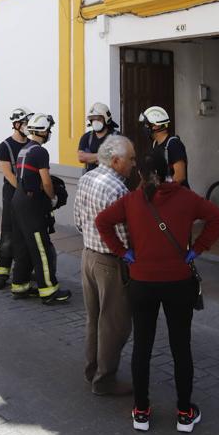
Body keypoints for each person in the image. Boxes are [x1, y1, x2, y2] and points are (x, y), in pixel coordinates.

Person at [95, 153, 219, 434]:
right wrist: (198, 248)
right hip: (179, 282)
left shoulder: (131, 200)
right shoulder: (186, 197)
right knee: (181, 348)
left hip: (142, 283)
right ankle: (184, 413)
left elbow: (102, 222)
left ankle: (141, 411)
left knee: (142, 347)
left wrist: (123, 252)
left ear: (140, 175)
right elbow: (218, 217)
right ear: (168, 172)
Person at [74, 135, 136, 396]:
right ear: (116, 160)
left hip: (88, 256)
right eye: (131, 159)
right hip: (110, 263)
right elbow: (125, 235)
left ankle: (92, 370)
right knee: (114, 324)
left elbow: (78, 219)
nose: (134, 164)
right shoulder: (118, 190)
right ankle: (105, 380)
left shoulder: (87, 178)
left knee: (94, 319)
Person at [11, 113, 72, 305]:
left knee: (23, 246)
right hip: (31, 205)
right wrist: (53, 198)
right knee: (41, 247)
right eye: (49, 130)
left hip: (18, 200)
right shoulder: (40, 152)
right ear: (43, 131)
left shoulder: (24, 149)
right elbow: (45, 181)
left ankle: (20, 285)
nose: (50, 133)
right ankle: (49, 290)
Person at [0, 107, 32, 289]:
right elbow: (8, 174)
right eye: (25, 123)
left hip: (28, 194)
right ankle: (1, 273)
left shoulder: (31, 145)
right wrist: (23, 190)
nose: (27, 127)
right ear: (17, 125)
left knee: (26, 233)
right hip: (12, 194)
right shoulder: (5, 146)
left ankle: (24, 270)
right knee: (8, 232)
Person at [139, 106, 189, 187]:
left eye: (147, 124)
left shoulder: (174, 144)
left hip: (177, 196)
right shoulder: (155, 144)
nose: (145, 127)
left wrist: (163, 192)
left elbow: (180, 176)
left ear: (156, 126)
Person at [77, 102, 118, 173]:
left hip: (109, 180)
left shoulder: (117, 137)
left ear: (106, 119)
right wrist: (103, 156)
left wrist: (90, 157)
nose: (95, 122)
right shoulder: (86, 137)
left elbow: (117, 159)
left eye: (98, 119)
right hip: (91, 180)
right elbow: (81, 157)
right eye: (93, 119)